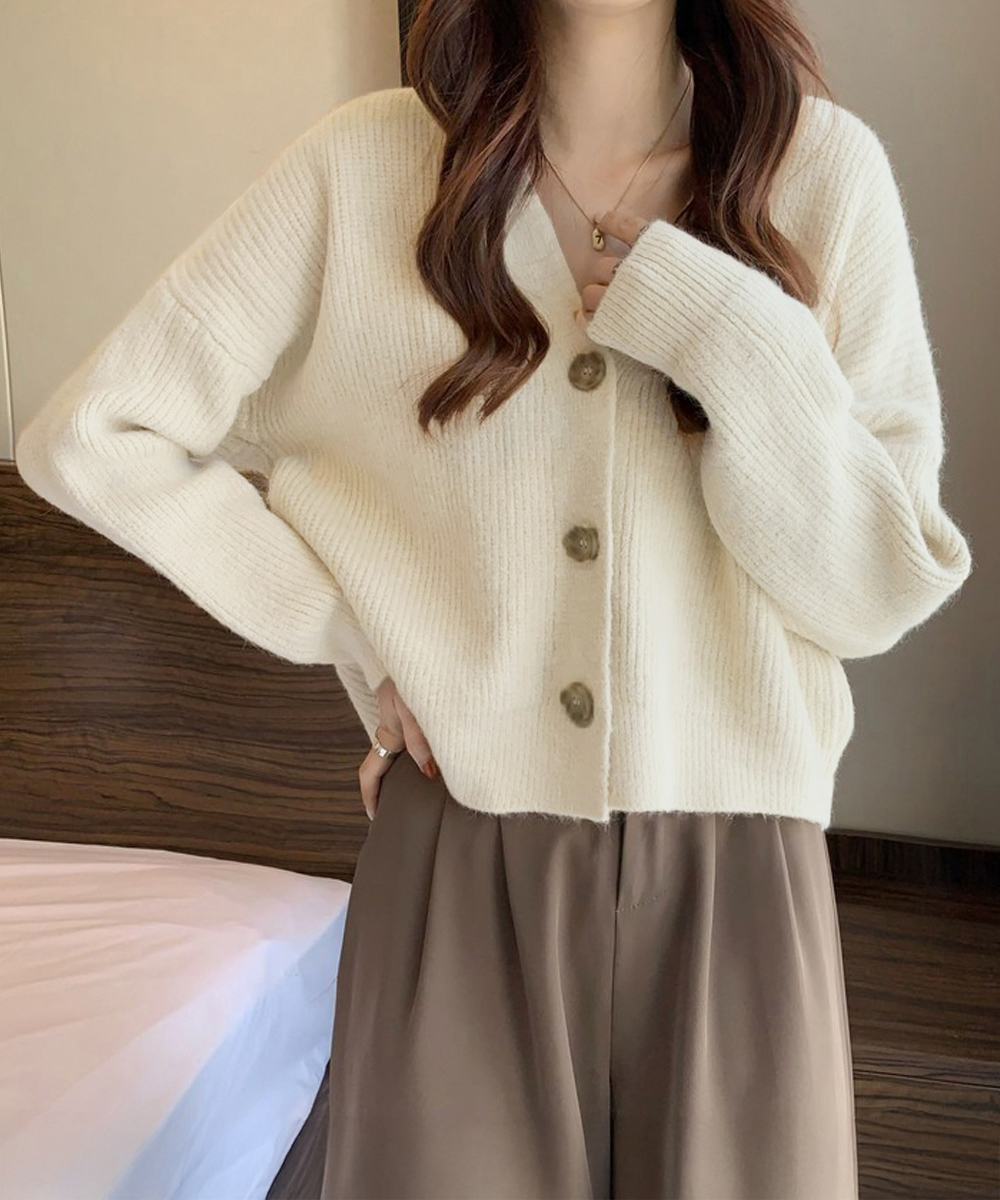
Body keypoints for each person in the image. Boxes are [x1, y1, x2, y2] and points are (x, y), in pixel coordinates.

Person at [15, 0, 973, 1196]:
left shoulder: (819, 173)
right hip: (458, 851)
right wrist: (348, 630)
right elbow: (94, 437)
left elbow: (872, 593)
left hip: (734, 881)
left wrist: (735, 338)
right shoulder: (362, 168)